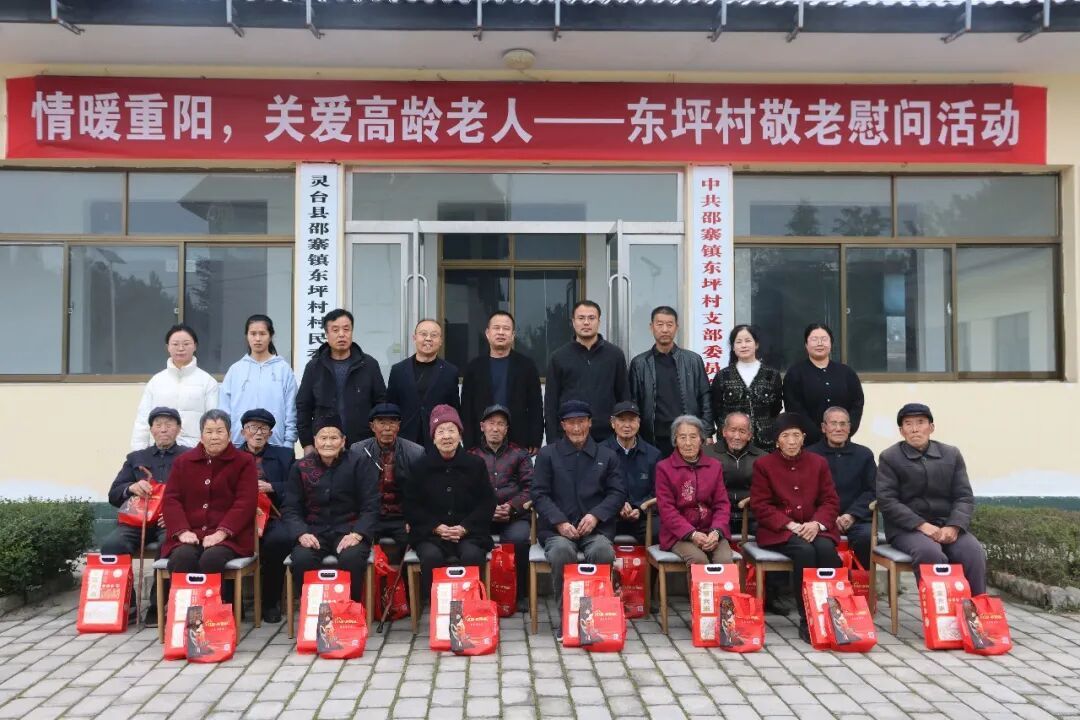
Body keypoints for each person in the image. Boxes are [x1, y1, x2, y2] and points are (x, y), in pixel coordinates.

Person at [531, 400, 626, 640]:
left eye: (581, 422)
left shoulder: (607, 455)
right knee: (561, 552)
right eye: (571, 423)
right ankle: (569, 619)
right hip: (557, 530)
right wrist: (559, 522)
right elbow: (539, 494)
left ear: (590, 423)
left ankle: (599, 616)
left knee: (603, 551)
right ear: (563, 425)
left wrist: (596, 516)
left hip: (596, 529)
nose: (577, 428)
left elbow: (617, 493)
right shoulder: (547, 454)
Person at [876, 403, 987, 595]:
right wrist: (922, 525)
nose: (915, 429)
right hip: (908, 530)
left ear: (931, 427)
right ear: (901, 431)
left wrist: (954, 526)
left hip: (947, 525)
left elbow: (964, 496)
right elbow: (887, 500)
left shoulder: (951, 454)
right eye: (908, 424)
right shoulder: (890, 457)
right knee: (929, 553)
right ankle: (939, 610)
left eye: (920, 422)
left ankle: (976, 608)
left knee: (973, 551)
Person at [750, 412, 842, 643]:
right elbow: (761, 505)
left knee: (826, 550)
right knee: (805, 551)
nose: (791, 441)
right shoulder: (764, 465)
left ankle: (834, 614)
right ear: (777, 441)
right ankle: (808, 618)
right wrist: (789, 524)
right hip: (780, 531)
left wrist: (816, 523)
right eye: (785, 436)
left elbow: (830, 501)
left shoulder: (818, 463)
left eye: (796, 435)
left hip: (815, 526)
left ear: (803, 438)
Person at [282, 414, 380, 603]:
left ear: (343, 441)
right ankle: (313, 609)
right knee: (302, 558)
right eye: (323, 438)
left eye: (334, 437)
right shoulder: (301, 467)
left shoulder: (359, 463)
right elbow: (290, 507)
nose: (328, 443)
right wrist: (301, 533)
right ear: (315, 441)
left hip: (349, 531)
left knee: (352, 558)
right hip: (313, 531)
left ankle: (349, 610)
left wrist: (358, 534)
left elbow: (371, 504)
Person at [103, 406, 187, 624]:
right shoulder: (136, 458)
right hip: (136, 522)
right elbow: (114, 494)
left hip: (169, 521)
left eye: (169, 425)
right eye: (158, 425)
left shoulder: (189, 457)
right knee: (112, 545)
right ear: (151, 430)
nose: (163, 429)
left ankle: (158, 605)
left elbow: (198, 492)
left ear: (178, 429)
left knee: (170, 544)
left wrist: (177, 514)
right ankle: (127, 605)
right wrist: (131, 487)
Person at [404, 405, 496, 603]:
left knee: (472, 555)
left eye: (451, 430)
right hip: (431, 535)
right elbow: (412, 506)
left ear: (460, 434)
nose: (446, 436)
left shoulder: (475, 464)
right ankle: (438, 607)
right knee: (431, 557)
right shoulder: (419, 467)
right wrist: (436, 527)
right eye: (440, 431)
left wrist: (464, 527)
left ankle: (471, 605)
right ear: (433, 437)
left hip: (469, 534)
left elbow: (487, 502)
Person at [161, 409, 258, 575]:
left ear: (229, 435)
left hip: (230, 538)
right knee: (182, 557)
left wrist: (222, 533)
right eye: (209, 432)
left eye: (220, 431)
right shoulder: (183, 462)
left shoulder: (244, 462)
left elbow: (245, 503)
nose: (214, 437)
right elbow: (171, 500)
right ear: (201, 436)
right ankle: (183, 594)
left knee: (211, 559)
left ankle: (218, 594)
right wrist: (182, 531)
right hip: (190, 534)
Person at [296, 308, 386, 455]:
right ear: (326, 334)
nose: (341, 334)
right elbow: (303, 407)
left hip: (363, 444)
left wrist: (379, 439)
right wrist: (307, 443)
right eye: (335, 330)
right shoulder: (314, 367)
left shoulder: (369, 365)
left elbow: (380, 404)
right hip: (326, 445)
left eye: (346, 329)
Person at [468, 404, 533, 605]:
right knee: (470, 544)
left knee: (519, 540)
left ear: (506, 429)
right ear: (482, 426)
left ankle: (518, 595)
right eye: (491, 423)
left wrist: (512, 506)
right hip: (481, 517)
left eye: (500, 424)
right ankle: (477, 594)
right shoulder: (471, 455)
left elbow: (531, 488)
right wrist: (486, 509)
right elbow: (465, 491)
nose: (495, 428)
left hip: (513, 516)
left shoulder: (520, 454)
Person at [235, 408, 295, 623]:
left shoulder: (285, 456)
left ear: (270, 434)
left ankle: (270, 602)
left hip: (273, 516)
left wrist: (272, 487)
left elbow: (296, 486)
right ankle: (233, 605)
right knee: (226, 542)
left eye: (263, 428)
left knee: (279, 540)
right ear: (243, 432)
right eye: (252, 428)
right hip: (239, 517)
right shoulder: (231, 457)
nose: (258, 433)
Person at [628, 306, 712, 456]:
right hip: (652, 438)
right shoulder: (640, 363)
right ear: (651, 327)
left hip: (686, 436)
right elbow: (634, 402)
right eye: (660, 324)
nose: (665, 329)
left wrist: (706, 432)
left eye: (669, 324)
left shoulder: (693, 360)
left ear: (676, 327)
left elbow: (705, 397)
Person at [544, 301, 630, 443]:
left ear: (599, 322)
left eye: (591, 318)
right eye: (581, 318)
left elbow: (624, 396)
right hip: (570, 435)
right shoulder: (558, 357)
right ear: (573, 322)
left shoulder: (615, 355)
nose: (586, 322)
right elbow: (551, 404)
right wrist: (552, 440)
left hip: (607, 437)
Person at [460, 311, 543, 453]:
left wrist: (535, 438)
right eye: (496, 328)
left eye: (506, 328)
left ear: (513, 334)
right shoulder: (474, 367)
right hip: (481, 441)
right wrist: (468, 441)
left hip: (518, 439)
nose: (501, 332)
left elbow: (535, 406)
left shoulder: (526, 366)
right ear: (487, 333)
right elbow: (466, 408)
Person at [655, 415, 733, 566]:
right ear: (675, 440)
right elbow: (666, 509)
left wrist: (716, 532)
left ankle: (723, 586)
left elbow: (722, 504)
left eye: (693, 437)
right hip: (678, 535)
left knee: (724, 560)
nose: (688, 443)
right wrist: (692, 534)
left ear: (701, 439)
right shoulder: (664, 468)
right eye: (682, 437)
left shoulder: (714, 466)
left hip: (711, 532)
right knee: (699, 560)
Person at [350, 403, 425, 555]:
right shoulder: (357, 451)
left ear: (399, 426)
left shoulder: (416, 453)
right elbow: (352, 490)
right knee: (355, 550)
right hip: (370, 516)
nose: (387, 428)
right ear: (372, 426)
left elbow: (422, 493)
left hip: (402, 517)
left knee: (420, 543)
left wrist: (414, 518)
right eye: (382, 423)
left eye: (392, 422)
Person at [807, 406, 876, 570]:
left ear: (849, 428)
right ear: (824, 428)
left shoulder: (864, 454)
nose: (839, 428)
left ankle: (861, 581)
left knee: (866, 537)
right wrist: (827, 518)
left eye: (843, 424)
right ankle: (829, 581)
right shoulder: (810, 455)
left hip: (857, 519)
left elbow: (874, 490)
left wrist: (852, 515)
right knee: (817, 542)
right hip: (821, 520)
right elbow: (806, 493)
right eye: (833, 423)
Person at [131, 324, 219, 451]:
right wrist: (138, 453)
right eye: (175, 344)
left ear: (195, 346)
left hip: (194, 450)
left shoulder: (208, 382)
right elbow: (142, 420)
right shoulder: (156, 381)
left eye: (186, 344)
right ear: (168, 347)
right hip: (160, 451)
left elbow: (214, 422)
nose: (181, 348)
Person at [220, 314, 298, 449]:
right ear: (247, 336)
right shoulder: (236, 370)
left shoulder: (283, 369)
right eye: (253, 334)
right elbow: (224, 410)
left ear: (271, 336)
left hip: (276, 444)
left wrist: (289, 443)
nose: (257, 338)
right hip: (239, 444)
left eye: (262, 334)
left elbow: (291, 409)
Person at [783, 323, 864, 446]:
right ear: (806, 344)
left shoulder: (846, 373)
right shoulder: (795, 374)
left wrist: (843, 431)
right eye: (814, 339)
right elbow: (794, 409)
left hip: (841, 442)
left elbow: (857, 404)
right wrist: (818, 435)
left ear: (831, 343)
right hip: (810, 444)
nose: (819, 343)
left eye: (824, 339)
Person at [386, 319, 461, 448]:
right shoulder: (398, 370)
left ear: (440, 341)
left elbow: (453, 408)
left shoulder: (450, 372)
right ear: (414, 338)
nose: (428, 339)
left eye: (434, 335)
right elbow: (391, 406)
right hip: (404, 438)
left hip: (437, 439)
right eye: (423, 334)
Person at [709, 324, 783, 451]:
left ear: (756, 344)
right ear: (733, 347)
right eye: (738, 342)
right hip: (731, 445)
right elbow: (716, 410)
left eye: (748, 341)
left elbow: (775, 409)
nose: (743, 345)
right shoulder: (723, 376)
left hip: (764, 444)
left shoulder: (772, 375)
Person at [601, 401, 661, 544]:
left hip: (642, 516)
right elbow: (595, 489)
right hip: (609, 516)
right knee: (594, 533)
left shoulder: (653, 455)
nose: (627, 425)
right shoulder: (600, 452)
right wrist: (617, 505)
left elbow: (658, 491)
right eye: (622, 420)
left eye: (632, 420)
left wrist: (640, 508)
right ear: (612, 423)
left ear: (639, 423)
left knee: (663, 531)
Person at [703, 411, 767, 537]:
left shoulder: (762, 458)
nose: (737, 436)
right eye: (732, 430)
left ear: (749, 435)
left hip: (752, 517)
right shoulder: (706, 455)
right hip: (717, 517)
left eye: (742, 431)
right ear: (724, 431)